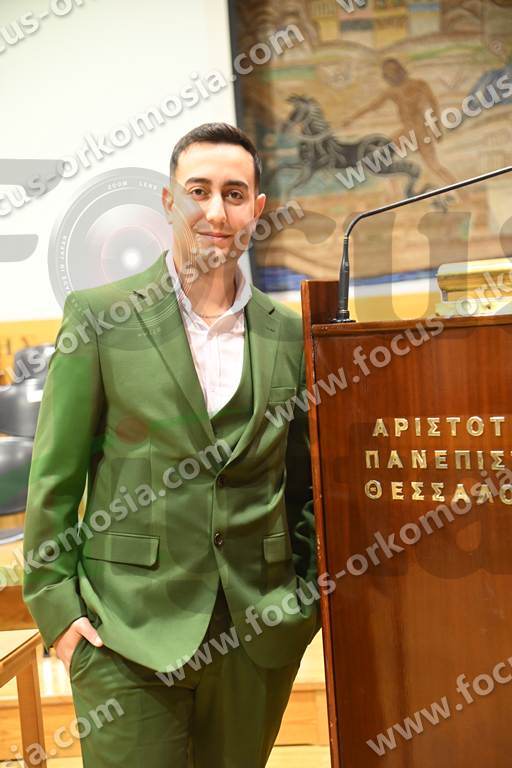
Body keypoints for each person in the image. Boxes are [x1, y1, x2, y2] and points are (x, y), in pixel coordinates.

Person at [22, 122, 321, 767]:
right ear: (168, 202)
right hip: (124, 633)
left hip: (256, 634)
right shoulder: (99, 318)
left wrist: (304, 604)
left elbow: (306, 487)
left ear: (257, 209)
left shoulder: (290, 335)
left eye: (234, 194)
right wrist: (58, 610)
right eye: (198, 191)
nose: (216, 212)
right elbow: (55, 477)